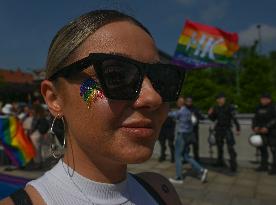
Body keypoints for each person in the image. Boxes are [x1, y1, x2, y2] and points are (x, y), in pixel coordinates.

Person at [0, 10, 185, 205]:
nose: (153, 97)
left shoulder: (161, 192)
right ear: (54, 98)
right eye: (116, 76)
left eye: (162, 78)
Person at [169, 97, 208, 184]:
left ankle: (179, 178)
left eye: (178, 102)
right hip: (188, 135)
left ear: (180, 103)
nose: (177, 103)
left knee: (177, 156)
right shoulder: (188, 111)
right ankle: (201, 170)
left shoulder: (181, 111)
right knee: (186, 156)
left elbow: (171, 114)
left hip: (182, 136)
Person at [208, 93, 240, 172]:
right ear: (217, 100)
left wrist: (238, 128)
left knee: (230, 147)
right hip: (219, 129)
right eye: (221, 98)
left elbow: (234, 118)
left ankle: (233, 165)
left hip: (227, 129)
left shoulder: (229, 107)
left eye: (223, 98)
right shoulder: (215, 108)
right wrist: (210, 114)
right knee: (219, 146)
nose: (222, 100)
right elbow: (213, 119)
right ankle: (220, 162)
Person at [252, 93, 276, 174]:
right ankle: (264, 165)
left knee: (274, 150)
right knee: (262, 149)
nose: (262, 100)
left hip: (272, 132)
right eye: (261, 99)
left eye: (265, 99)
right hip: (261, 131)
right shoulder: (258, 107)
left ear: (269, 99)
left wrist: (267, 127)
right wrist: (254, 126)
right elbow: (255, 118)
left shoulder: (273, 107)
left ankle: (274, 168)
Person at [185, 96, 204, 162]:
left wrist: (197, 116)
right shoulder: (184, 109)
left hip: (194, 130)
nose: (189, 102)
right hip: (186, 130)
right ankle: (185, 158)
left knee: (195, 145)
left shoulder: (195, 109)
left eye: (190, 101)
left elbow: (201, 117)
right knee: (185, 145)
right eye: (187, 101)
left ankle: (196, 158)